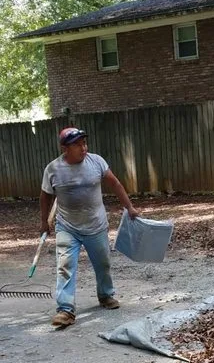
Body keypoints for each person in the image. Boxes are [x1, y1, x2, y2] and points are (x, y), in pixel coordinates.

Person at [40, 127, 140, 328]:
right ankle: (65, 310)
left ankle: (105, 295)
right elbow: (46, 196)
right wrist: (44, 222)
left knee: (103, 263)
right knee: (65, 266)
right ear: (65, 148)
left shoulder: (97, 162)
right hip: (67, 227)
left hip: (96, 225)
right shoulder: (53, 169)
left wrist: (129, 206)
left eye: (84, 143)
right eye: (77, 144)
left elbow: (115, 183)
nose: (83, 147)